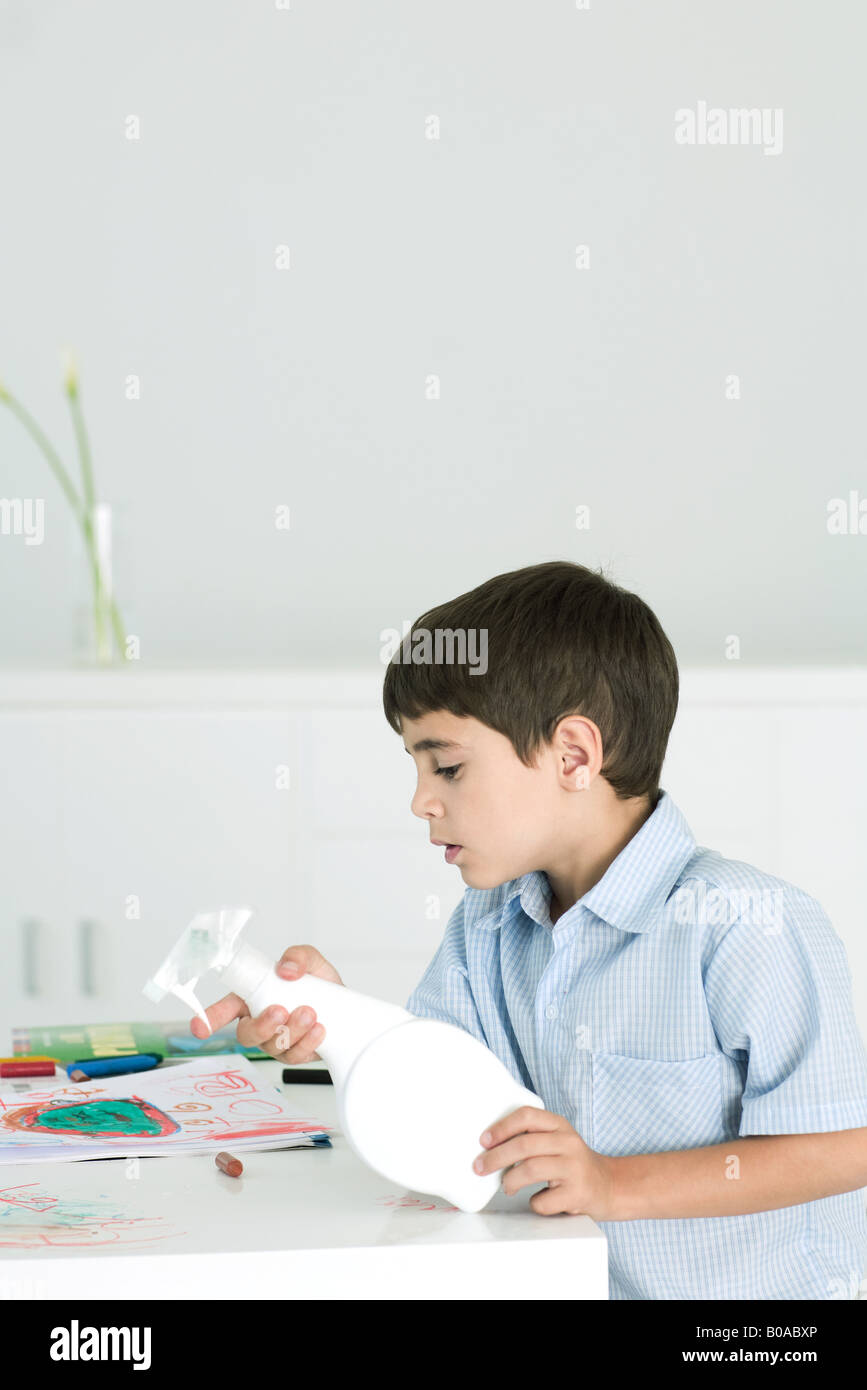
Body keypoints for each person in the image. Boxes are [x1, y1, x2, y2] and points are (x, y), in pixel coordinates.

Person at [193, 559, 867, 1300]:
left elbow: (844, 1152)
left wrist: (611, 1184)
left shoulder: (744, 928)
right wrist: (333, 1022)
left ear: (573, 756)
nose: (420, 801)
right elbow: (439, 1091)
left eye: (445, 766)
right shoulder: (488, 925)